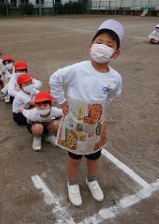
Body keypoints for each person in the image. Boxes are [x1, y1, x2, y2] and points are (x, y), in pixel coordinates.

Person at [49, 19, 124, 207]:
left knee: (94, 156)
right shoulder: (78, 69)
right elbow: (55, 78)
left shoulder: (115, 77)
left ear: (116, 53)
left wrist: (102, 104)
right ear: (90, 46)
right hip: (75, 122)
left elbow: (114, 94)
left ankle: (92, 179)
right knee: (74, 157)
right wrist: (62, 101)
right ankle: (72, 183)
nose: (102, 47)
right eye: (99, 42)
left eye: (109, 45)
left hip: (96, 125)